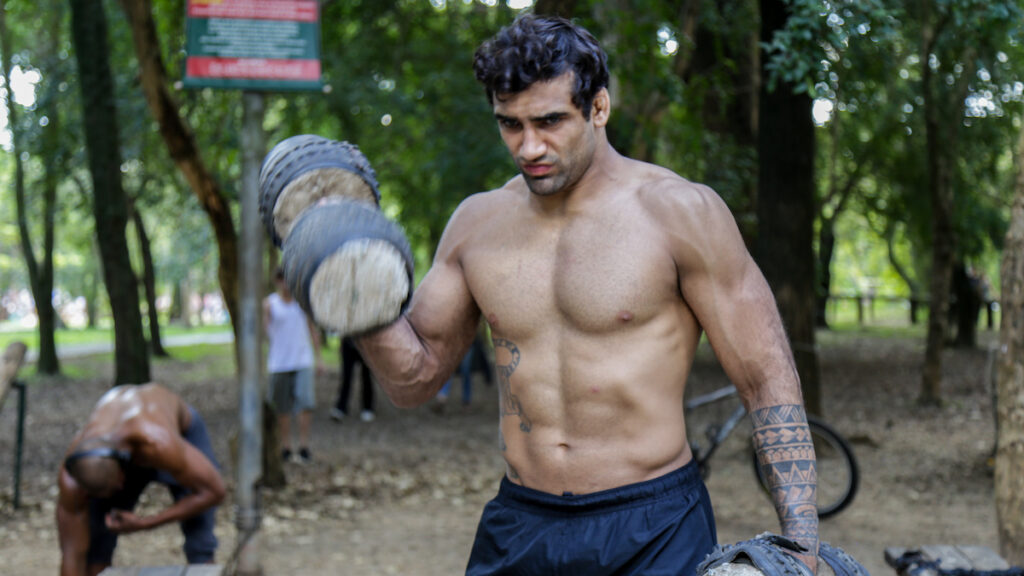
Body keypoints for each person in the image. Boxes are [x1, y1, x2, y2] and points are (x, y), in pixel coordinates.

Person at [353, 14, 819, 575]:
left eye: (549, 121)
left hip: (655, 525)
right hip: (521, 521)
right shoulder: (477, 224)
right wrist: (361, 304)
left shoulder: (679, 213)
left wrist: (802, 545)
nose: (528, 147)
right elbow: (415, 378)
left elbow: (764, 376)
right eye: (509, 124)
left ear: (598, 108)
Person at [56, 383, 226, 576]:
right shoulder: (71, 479)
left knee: (199, 539)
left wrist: (146, 522)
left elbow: (215, 492)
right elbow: (71, 554)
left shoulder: (158, 442)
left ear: (122, 471)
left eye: (118, 484)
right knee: (96, 544)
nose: (122, 488)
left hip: (178, 434)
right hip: (122, 450)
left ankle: (204, 563)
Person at [265, 268, 323, 463]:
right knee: (282, 407)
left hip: (302, 361)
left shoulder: (302, 303)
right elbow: (263, 331)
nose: (285, 284)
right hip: (279, 364)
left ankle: (304, 445)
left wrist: (319, 358)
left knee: (305, 403)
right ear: (277, 282)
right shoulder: (270, 304)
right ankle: (286, 446)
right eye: (282, 280)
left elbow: (313, 331)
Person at [434, 333, 493, 412]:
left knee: (463, 372)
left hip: (466, 344)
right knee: (452, 371)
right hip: (456, 343)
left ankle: (464, 401)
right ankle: (443, 398)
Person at [331, 337, 376, 422]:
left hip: (365, 345)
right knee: (346, 376)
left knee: (366, 377)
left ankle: (367, 407)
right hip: (349, 344)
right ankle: (341, 407)